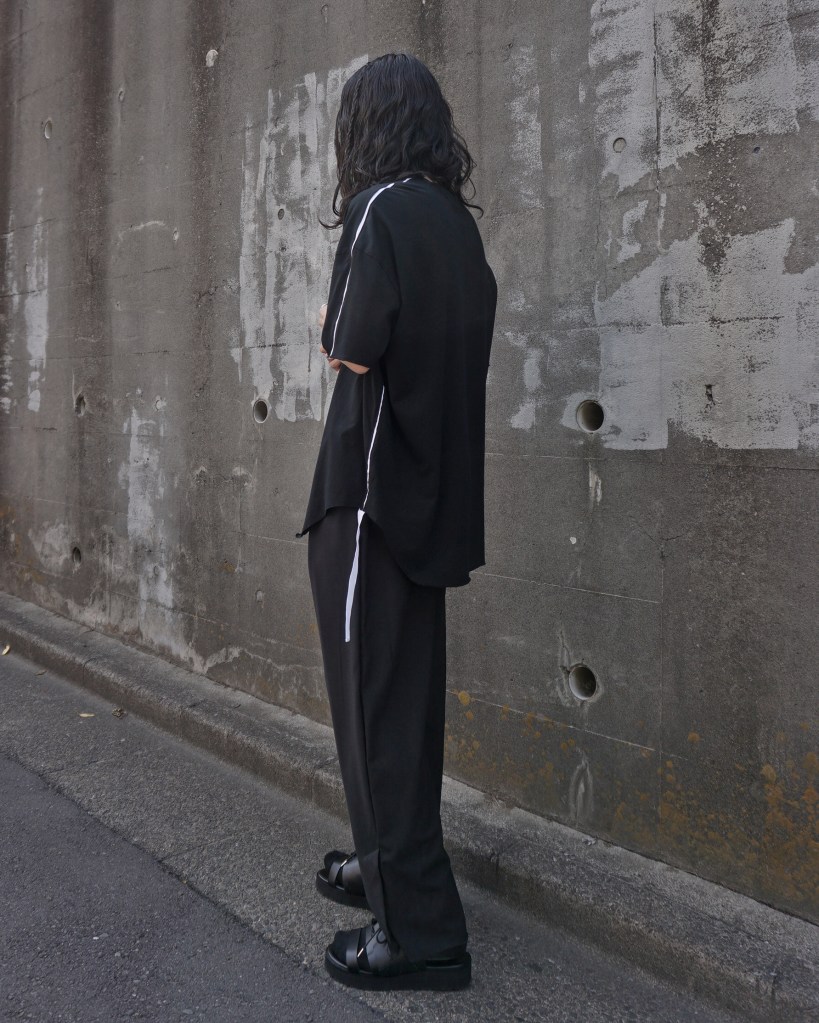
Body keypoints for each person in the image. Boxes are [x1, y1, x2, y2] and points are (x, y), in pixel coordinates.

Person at [295, 52, 497, 991]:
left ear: (365, 127)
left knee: (371, 711)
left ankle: (420, 935)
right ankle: (385, 867)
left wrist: (329, 322)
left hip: (369, 501)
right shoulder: (455, 223)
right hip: (426, 499)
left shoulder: (378, 210)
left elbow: (350, 346)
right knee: (400, 708)